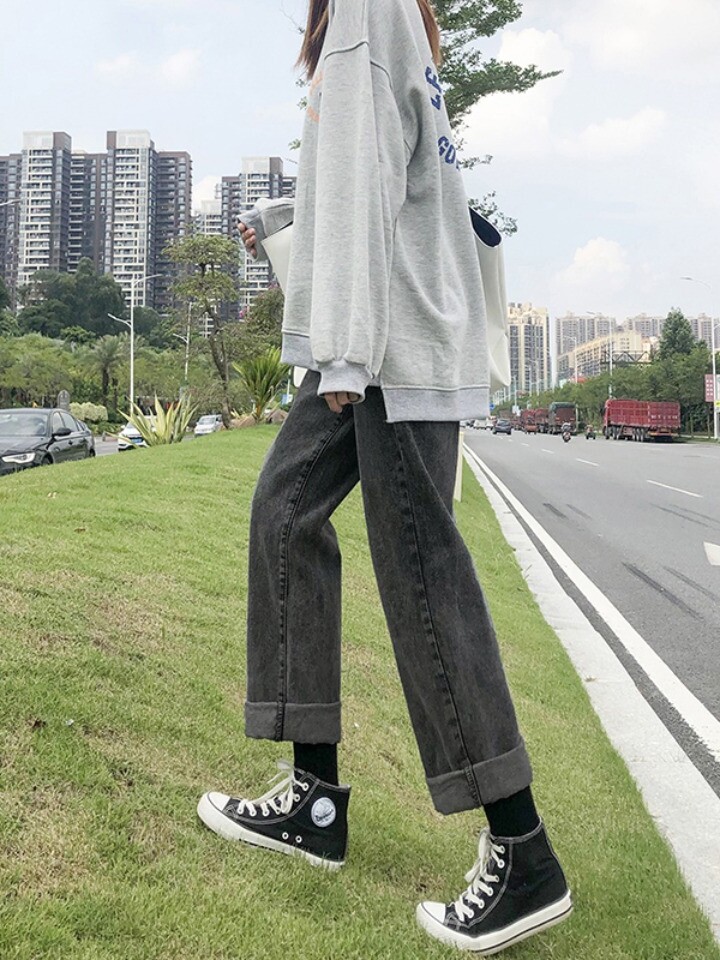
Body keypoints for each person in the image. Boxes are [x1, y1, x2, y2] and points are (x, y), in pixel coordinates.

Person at [197, 0, 572, 953]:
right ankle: (314, 801)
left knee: (421, 574)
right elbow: (377, 183)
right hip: (376, 339)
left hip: (387, 353)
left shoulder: (369, 5)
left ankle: (523, 850)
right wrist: (290, 228)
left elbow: (369, 190)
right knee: (285, 513)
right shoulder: (376, 16)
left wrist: (346, 351)